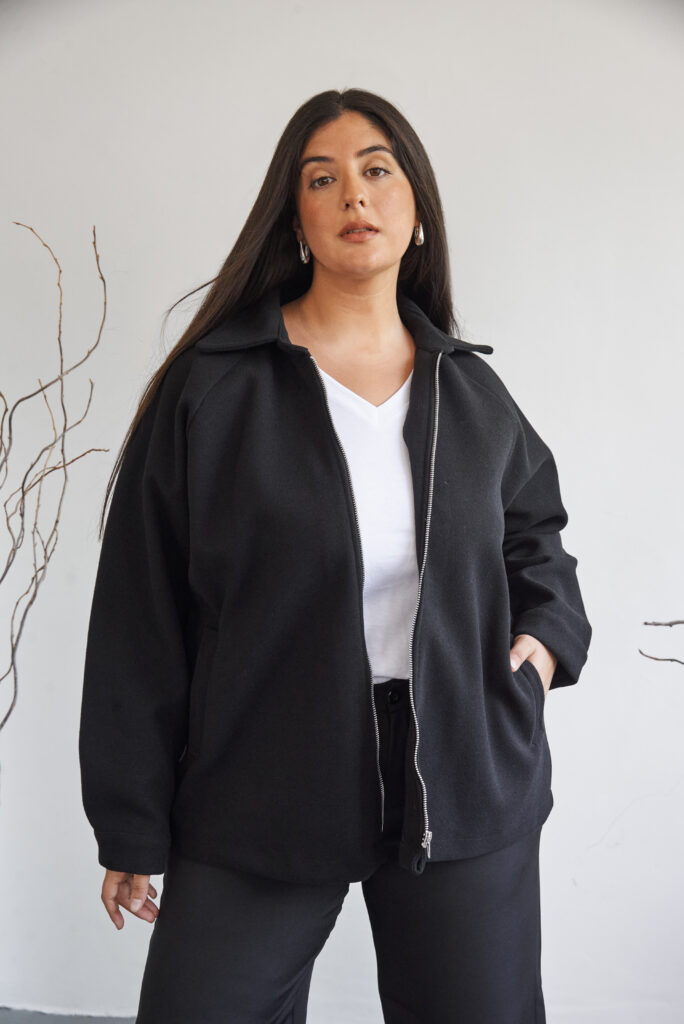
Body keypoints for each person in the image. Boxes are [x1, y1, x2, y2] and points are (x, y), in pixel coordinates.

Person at [78, 87, 592, 1023]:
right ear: (297, 221)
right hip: (261, 775)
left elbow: (537, 537)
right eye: (322, 179)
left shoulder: (471, 393)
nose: (354, 193)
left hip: (464, 771)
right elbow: (138, 615)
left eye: (377, 170)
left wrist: (546, 642)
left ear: (417, 210)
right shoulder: (213, 390)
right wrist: (130, 819)